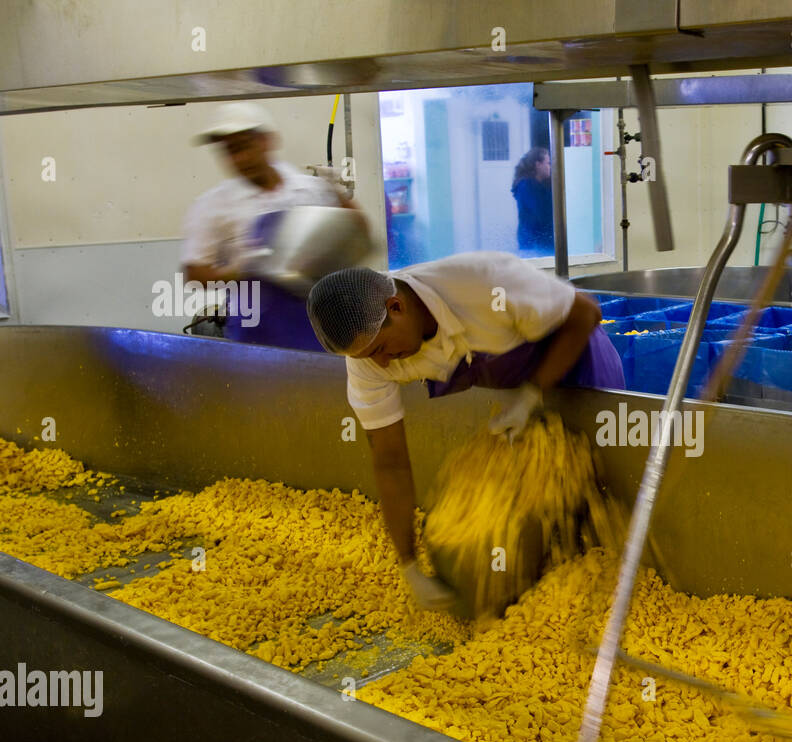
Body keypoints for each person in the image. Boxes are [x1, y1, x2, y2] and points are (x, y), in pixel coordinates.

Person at [306, 252, 624, 609]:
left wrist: (531, 395)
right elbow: (390, 460)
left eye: (380, 349)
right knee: (545, 507)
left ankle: (599, 589)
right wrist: (409, 565)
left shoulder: (483, 283)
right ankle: (539, 588)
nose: (380, 363)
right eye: (365, 357)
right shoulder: (368, 361)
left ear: (396, 307)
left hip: (581, 373)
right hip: (518, 396)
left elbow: (585, 313)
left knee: (599, 496)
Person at [181, 102, 367, 350]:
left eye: (244, 146)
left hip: (322, 327)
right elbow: (194, 276)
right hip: (255, 334)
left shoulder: (309, 189)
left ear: (267, 141)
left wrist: (337, 195)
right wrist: (240, 270)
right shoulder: (213, 207)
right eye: (230, 151)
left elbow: (360, 231)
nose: (239, 159)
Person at [511, 147, 554, 256]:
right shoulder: (526, 185)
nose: (550, 167)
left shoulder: (543, 185)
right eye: (548, 163)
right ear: (538, 164)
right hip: (533, 244)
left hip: (544, 242)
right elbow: (541, 214)